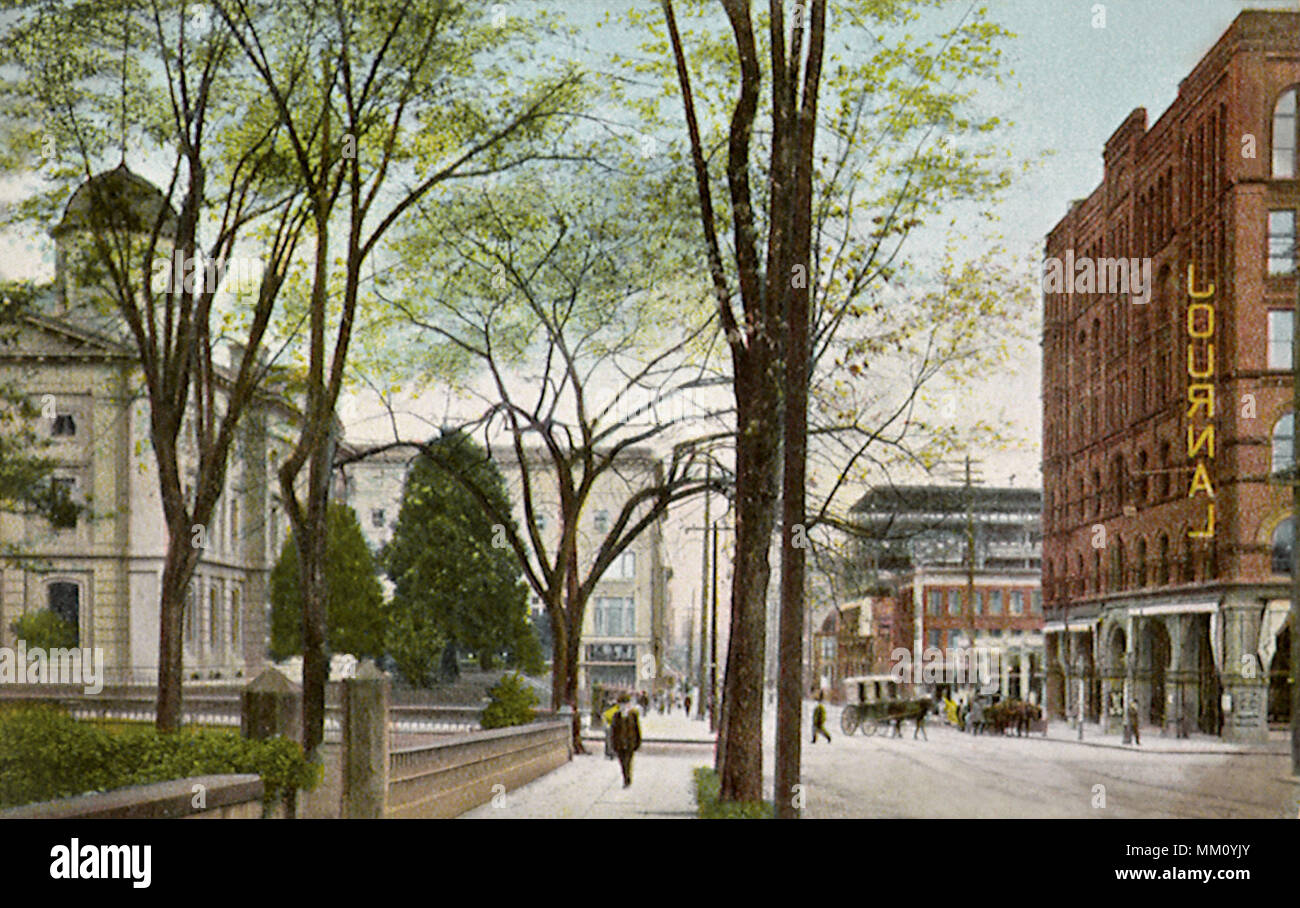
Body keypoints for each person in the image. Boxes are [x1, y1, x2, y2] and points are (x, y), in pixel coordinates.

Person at [611, 694, 642, 787]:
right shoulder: (616, 716)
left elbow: (637, 729)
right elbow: (613, 731)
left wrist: (638, 742)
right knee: (622, 762)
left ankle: (627, 779)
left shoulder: (633, 714)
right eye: (621, 704)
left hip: (630, 743)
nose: (623, 706)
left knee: (628, 761)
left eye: (625, 704)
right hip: (619, 744)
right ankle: (626, 776)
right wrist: (613, 744)